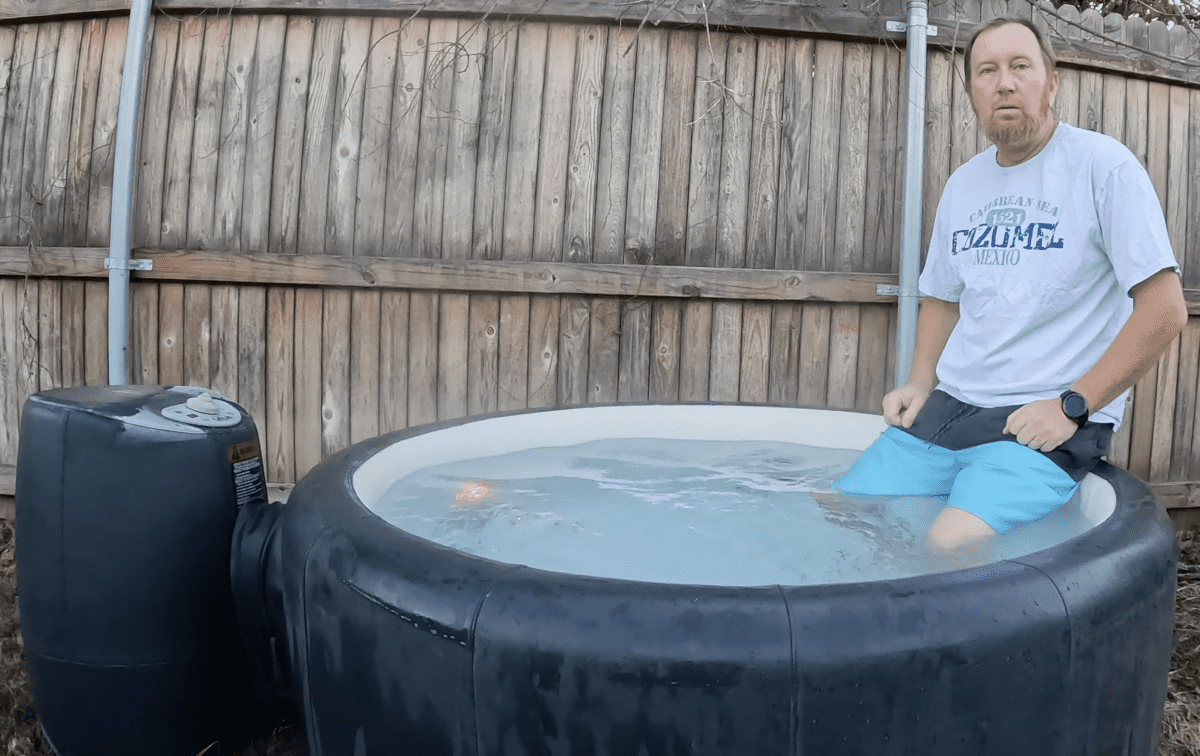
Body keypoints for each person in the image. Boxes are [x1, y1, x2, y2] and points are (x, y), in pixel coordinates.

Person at [828, 17, 1188, 553]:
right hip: (951, 407)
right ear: (971, 91)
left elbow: (1164, 310)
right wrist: (919, 382)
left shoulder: (1103, 167)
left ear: (1052, 81)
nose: (1004, 82)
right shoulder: (964, 183)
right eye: (987, 71)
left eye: (1021, 66)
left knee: (949, 543)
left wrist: (1073, 406)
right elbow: (941, 296)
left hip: (1046, 415)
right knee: (838, 514)